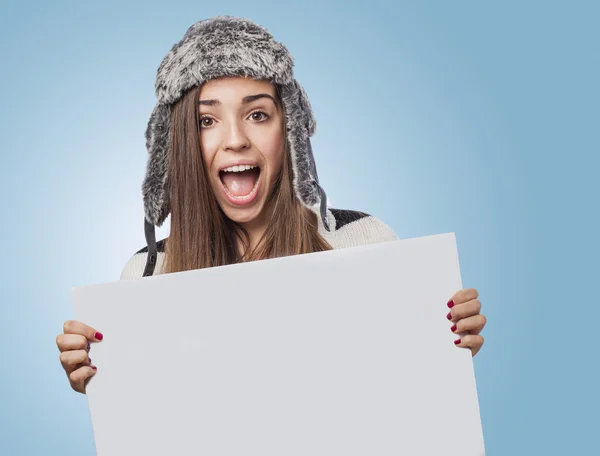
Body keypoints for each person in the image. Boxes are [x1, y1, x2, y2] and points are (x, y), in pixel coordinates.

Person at [56, 16, 487, 394]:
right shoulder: (147, 274)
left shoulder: (366, 241)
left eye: (257, 114)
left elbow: (407, 396)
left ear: (290, 131)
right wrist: (102, 379)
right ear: (183, 144)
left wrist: (445, 341)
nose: (236, 139)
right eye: (207, 121)